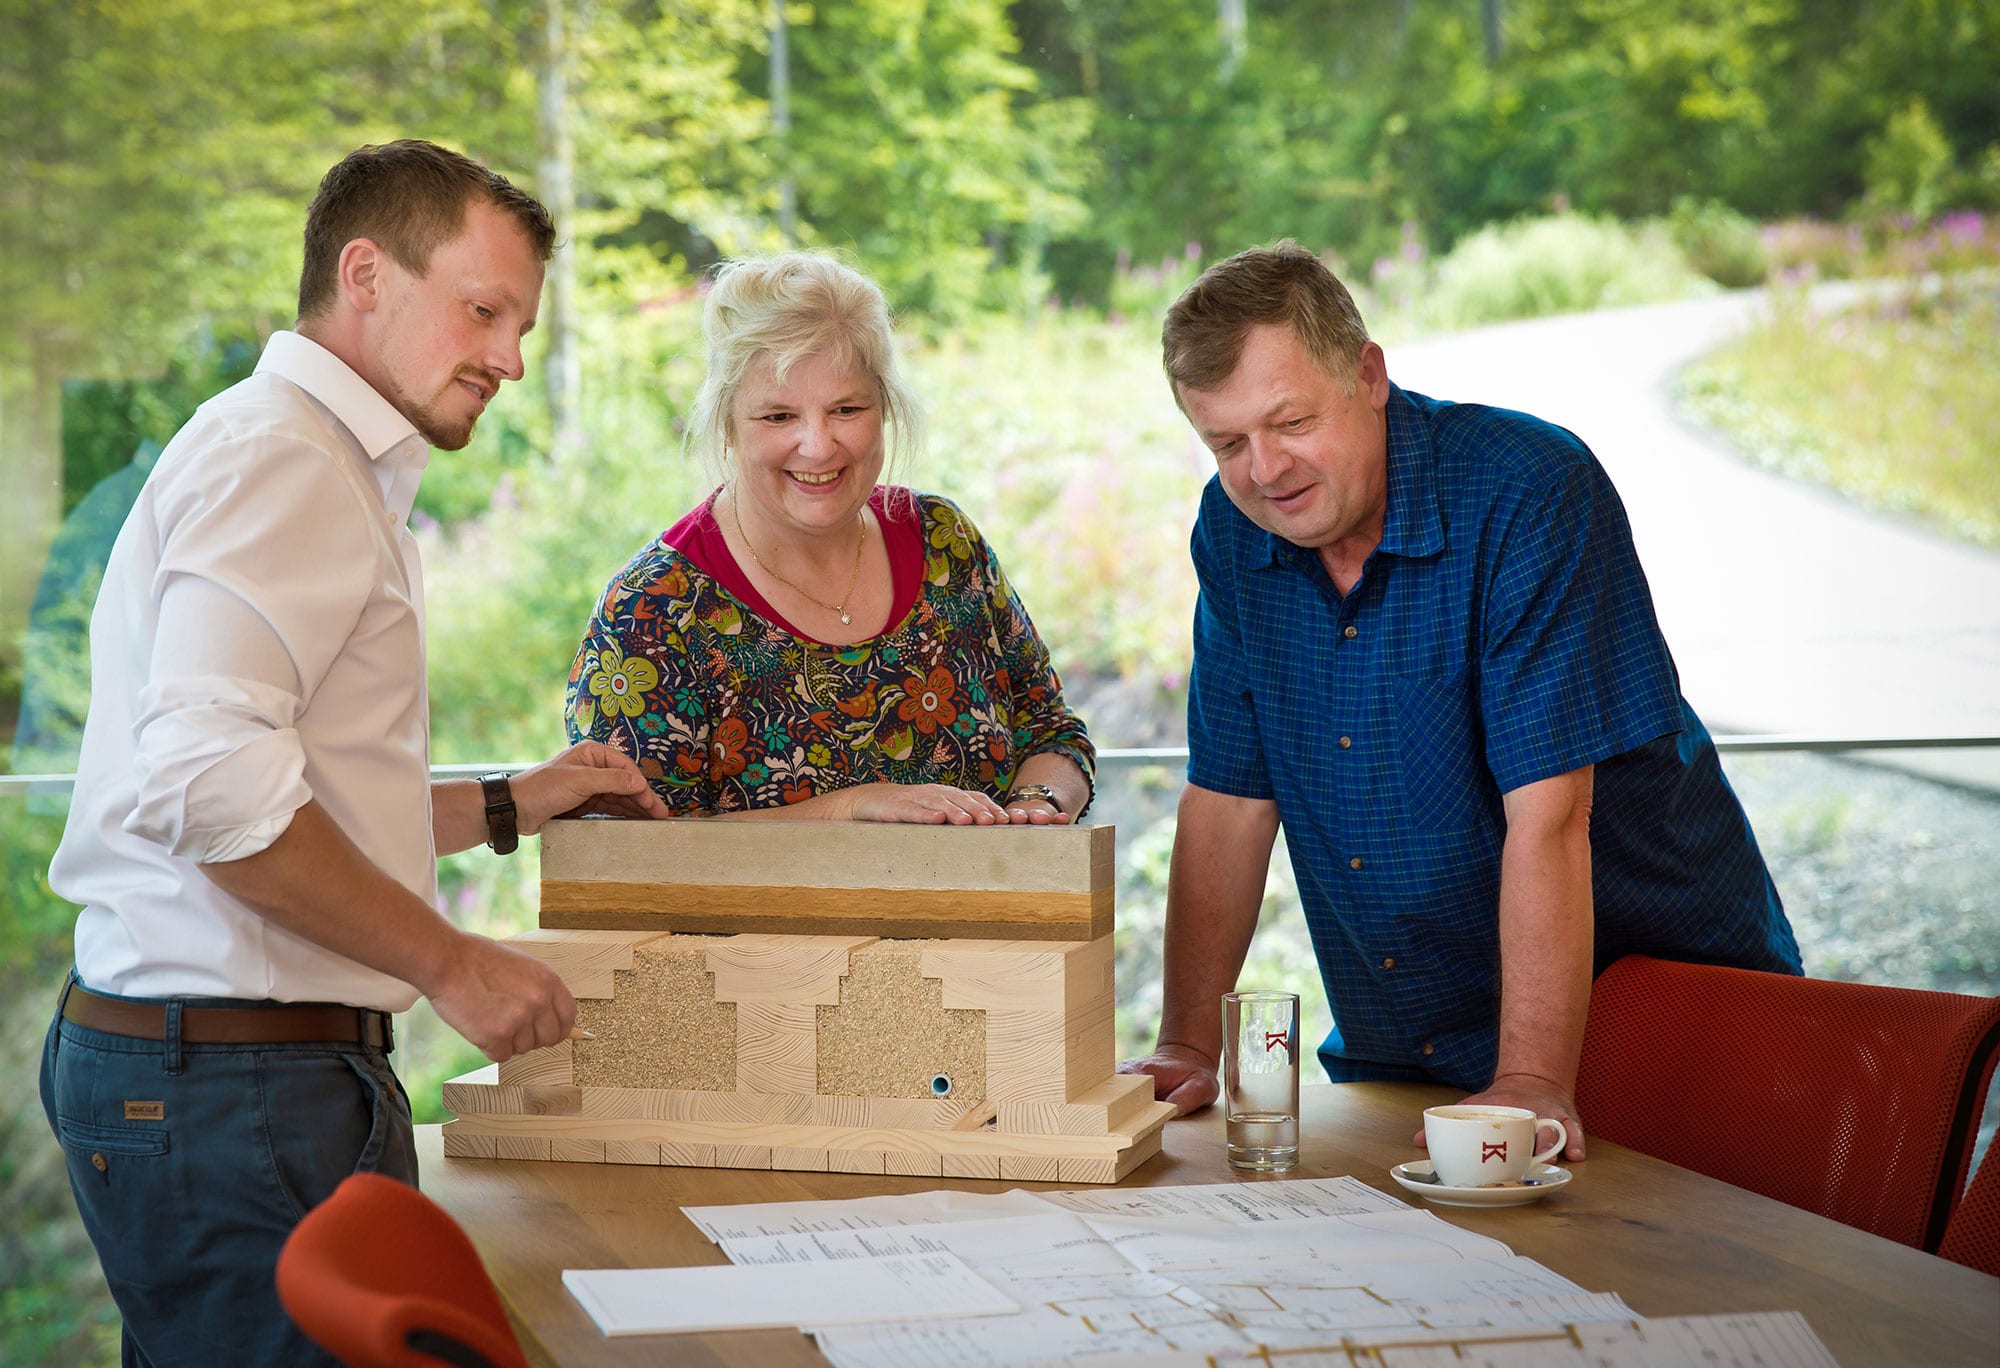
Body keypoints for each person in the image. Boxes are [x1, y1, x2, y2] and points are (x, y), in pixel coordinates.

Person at [39, 139, 669, 1367]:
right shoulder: (287, 459)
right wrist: (454, 965)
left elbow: (287, 786)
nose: (508, 359)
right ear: (365, 273)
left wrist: (506, 803)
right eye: (483, 312)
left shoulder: (300, 455)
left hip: (214, 1080)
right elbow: (213, 794)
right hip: (234, 1087)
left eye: (523, 327)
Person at [1120, 241, 1801, 1162]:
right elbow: (1229, 799)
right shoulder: (1233, 532)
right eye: (1226, 443)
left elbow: (1552, 816)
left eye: (1290, 422)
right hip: (1413, 1048)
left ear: (1368, 375)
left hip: (1655, 1038)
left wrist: (1529, 1078)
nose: (1265, 470)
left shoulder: (1529, 489)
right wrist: (1187, 1044)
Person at [566, 252, 1094, 824]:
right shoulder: (652, 610)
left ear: (886, 408)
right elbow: (621, 859)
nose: (818, 446)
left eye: (846, 408)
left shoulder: (947, 544)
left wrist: (1036, 805)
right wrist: (849, 810)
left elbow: (1052, 732)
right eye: (777, 417)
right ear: (725, 423)